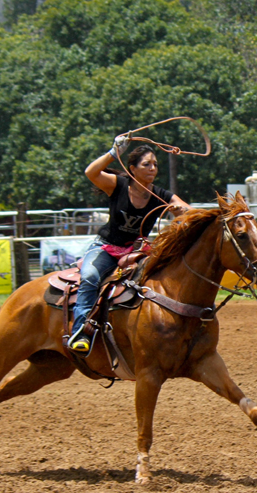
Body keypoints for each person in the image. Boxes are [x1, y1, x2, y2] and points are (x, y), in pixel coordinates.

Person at [68, 136, 191, 353]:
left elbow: (186, 210)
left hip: (137, 251)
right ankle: (81, 332)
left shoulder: (160, 195)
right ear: (132, 169)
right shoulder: (117, 185)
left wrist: (180, 210)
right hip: (106, 248)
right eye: (146, 164)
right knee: (89, 277)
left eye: (155, 165)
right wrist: (114, 152)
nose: (152, 168)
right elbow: (91, 173)